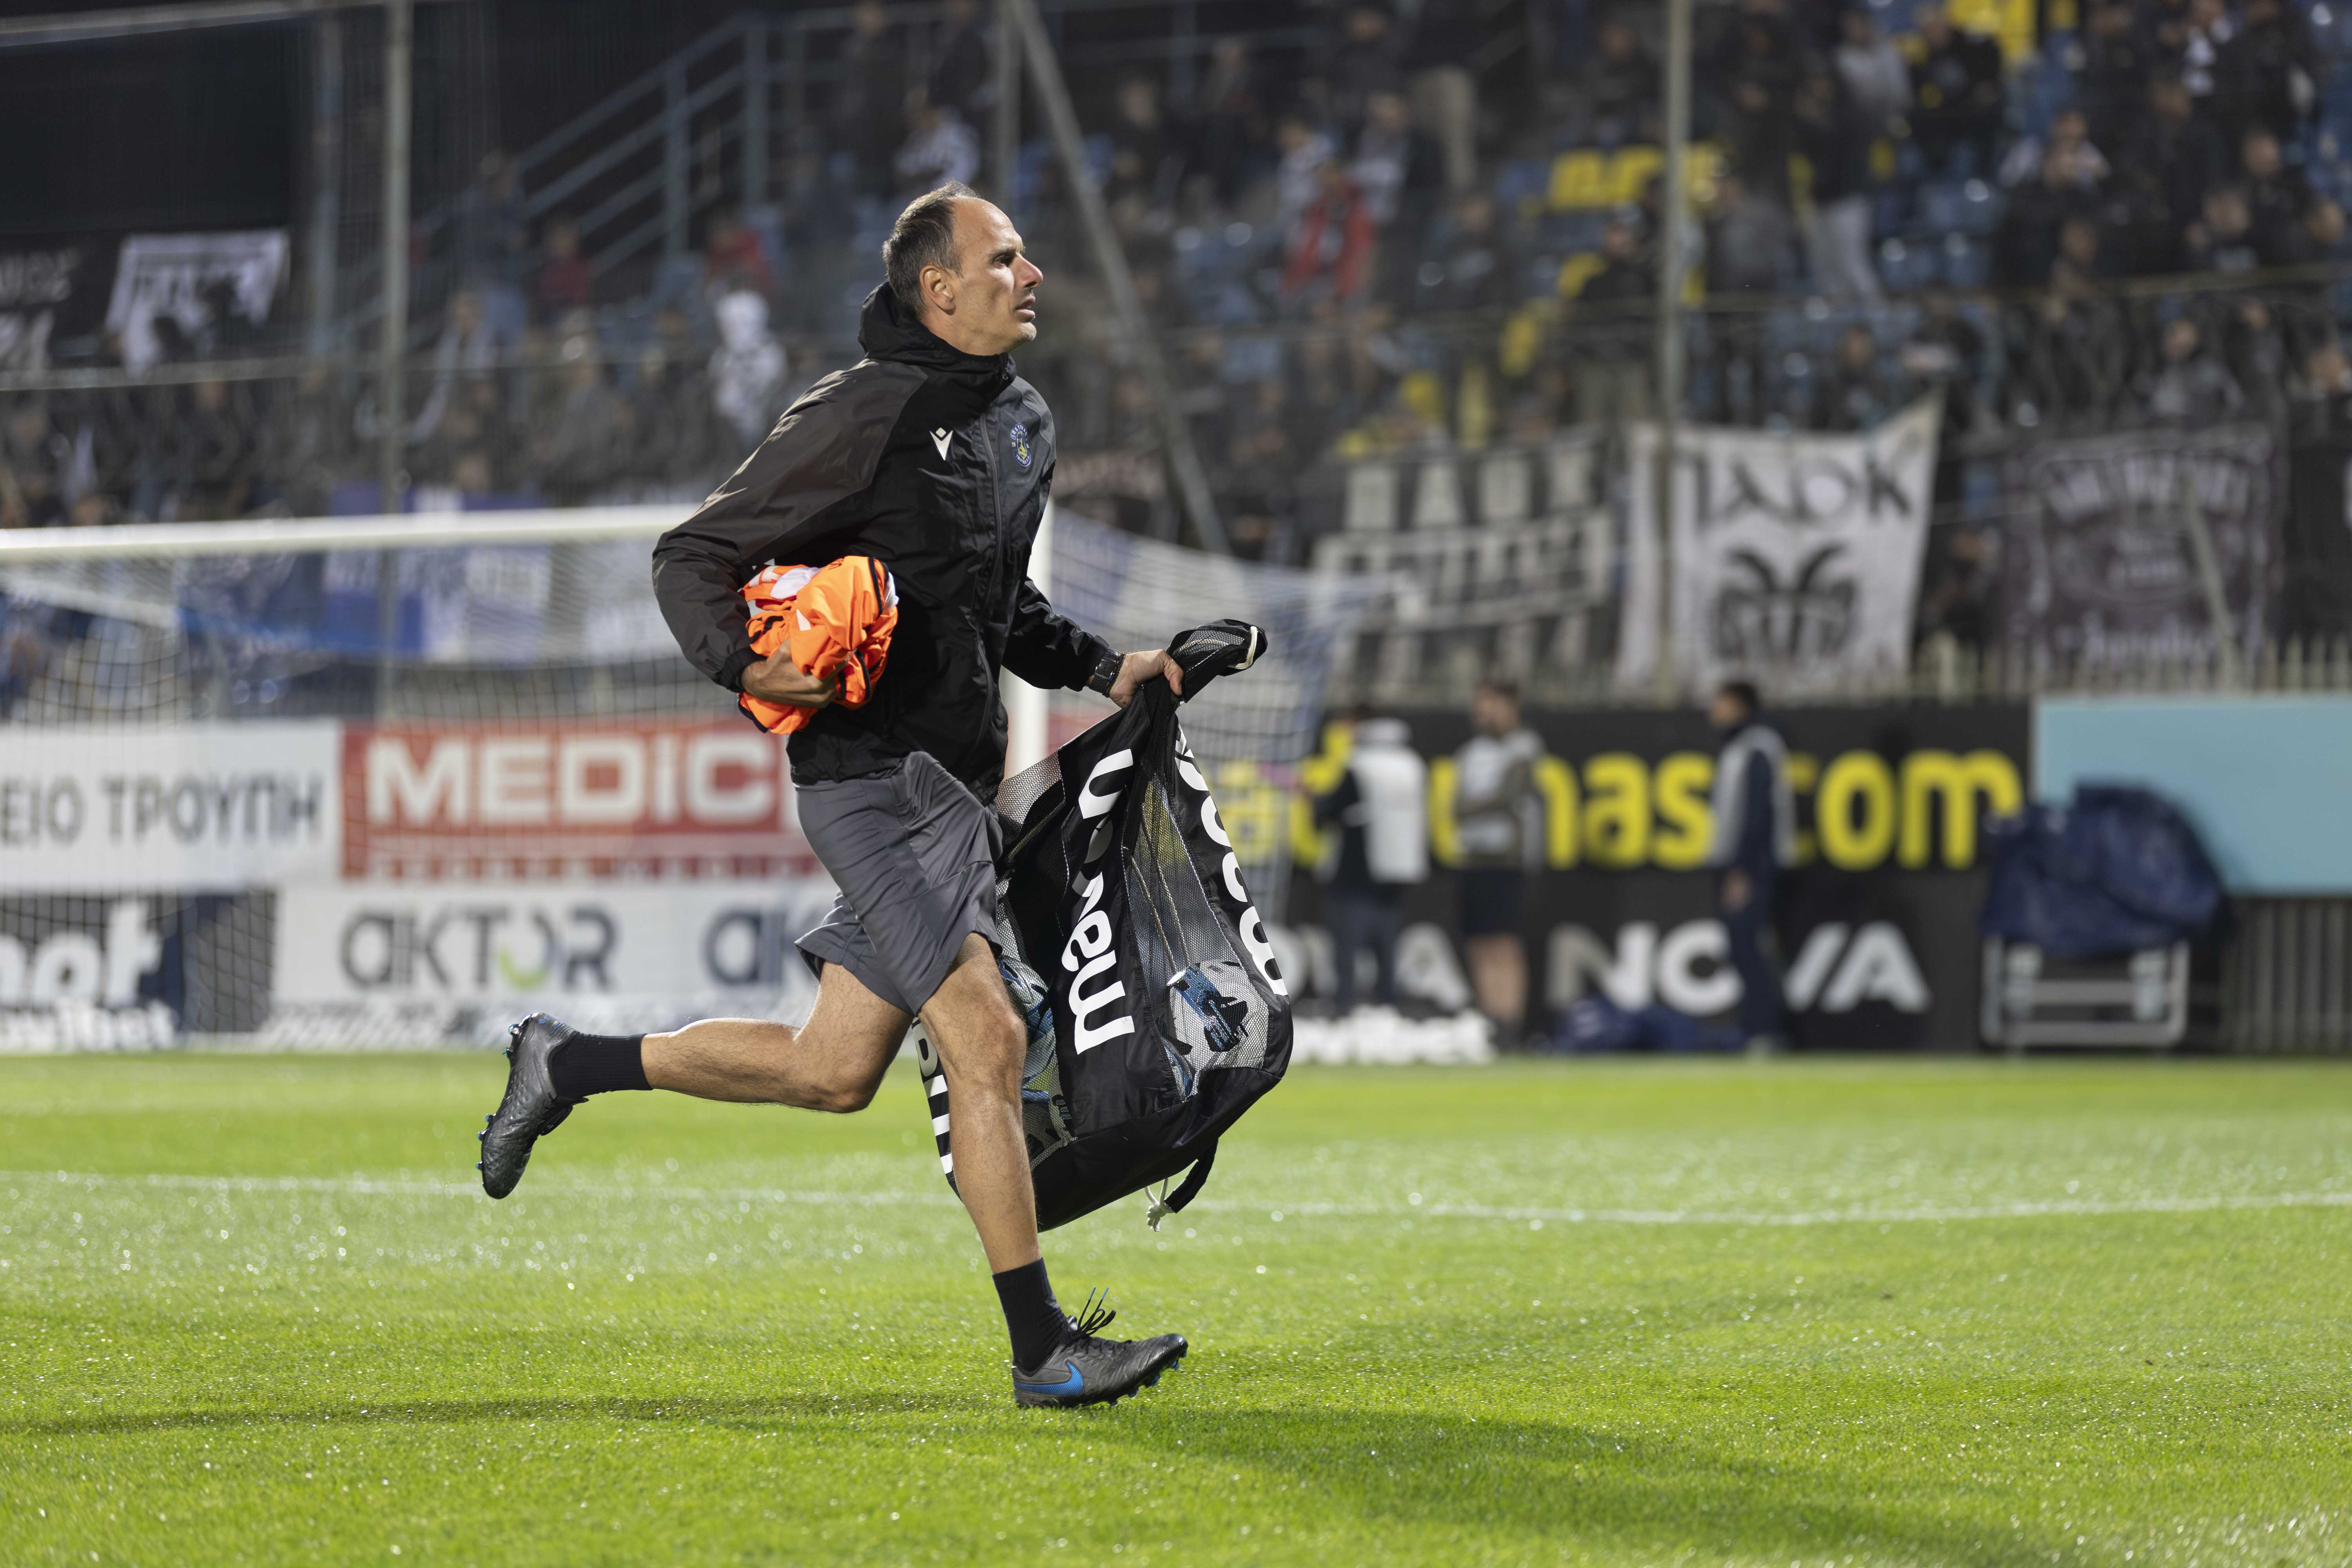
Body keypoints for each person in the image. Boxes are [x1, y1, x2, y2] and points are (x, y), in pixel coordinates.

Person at [477, 184, 1191, 1410]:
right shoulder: (861, 414)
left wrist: (1103, 667)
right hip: (869, 781)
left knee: (832, 1069)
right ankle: (1043, 1351)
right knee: (987, 1037)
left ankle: (565, 1060)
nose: (1030, 276)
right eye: (1004, 258)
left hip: (953, 790)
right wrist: (746, 663)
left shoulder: (1022, 423)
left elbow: (1002, 606)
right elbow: (692, 553)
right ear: (940, 290)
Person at [1312, 711, 1428, 1014]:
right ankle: (1388, 1002)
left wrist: (1316, 803)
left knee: (1348, 941)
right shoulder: (1413, 765)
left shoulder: (1361, 765)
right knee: (1387, 941)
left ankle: (1346, 1004)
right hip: (1397, 871)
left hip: (1356, 870)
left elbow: (1333, 808)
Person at [1705, 679, 1795, 1054]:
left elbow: (1757, 816)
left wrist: (1741, 871)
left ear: (1740, 705)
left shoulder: (1757, 747)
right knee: (1745, 948)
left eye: (1721, 702)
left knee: (1751, 947)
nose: (1714, 710)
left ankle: (1764, 1031)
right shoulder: (1743, 746)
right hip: (1746, 864)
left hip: (1752, 866)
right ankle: (1757, 1029)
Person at [1451, 682, 1543, 1047]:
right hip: (1473, 856)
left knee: (1505, 944)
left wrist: (1474, 805)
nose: (1484, 713)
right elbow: (1457, 807)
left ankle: (1510, 1024)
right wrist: (1478, 805)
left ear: (1511, 708)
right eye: (1481, 705)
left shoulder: (1524, 747)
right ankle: (1491, 1022)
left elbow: (1508, 795)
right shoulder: (1470, 752)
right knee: (1479, 943)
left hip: (1507, 859)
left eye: (1492, 705)